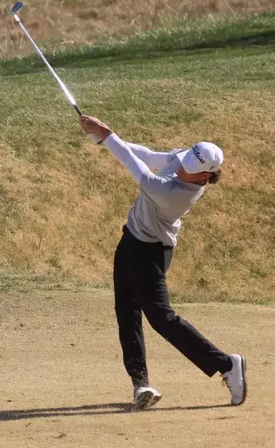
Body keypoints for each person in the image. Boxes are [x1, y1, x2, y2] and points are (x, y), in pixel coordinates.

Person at [79, 115, 247, 411]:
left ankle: (227, 364)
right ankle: (140, 383)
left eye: (191, 169)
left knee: (161, 318)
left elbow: (138, 169)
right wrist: (104, 140)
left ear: (205, 176)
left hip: (151, 252)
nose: (183, 168)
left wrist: (107, 133)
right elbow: (147, 155)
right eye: (185, 162)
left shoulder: (176, 195)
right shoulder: (186, 159)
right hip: (130, 241)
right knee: (126, 312)